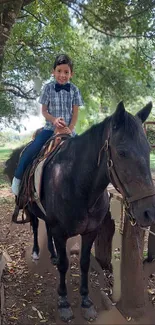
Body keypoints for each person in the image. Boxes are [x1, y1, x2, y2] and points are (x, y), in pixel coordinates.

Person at [11, 53, 83, 196]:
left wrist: (70, 129)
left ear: (71, 74)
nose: (62, 75)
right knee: (32, 149)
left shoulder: (74, 90)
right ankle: (18, 180)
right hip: (50, 129)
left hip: (69, 130)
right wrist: (54, 120)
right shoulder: (48, 88)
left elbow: (75, 114)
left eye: (66, 72)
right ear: (53, 72)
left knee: (84, 150)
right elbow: (44, 111)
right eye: (59, 71)